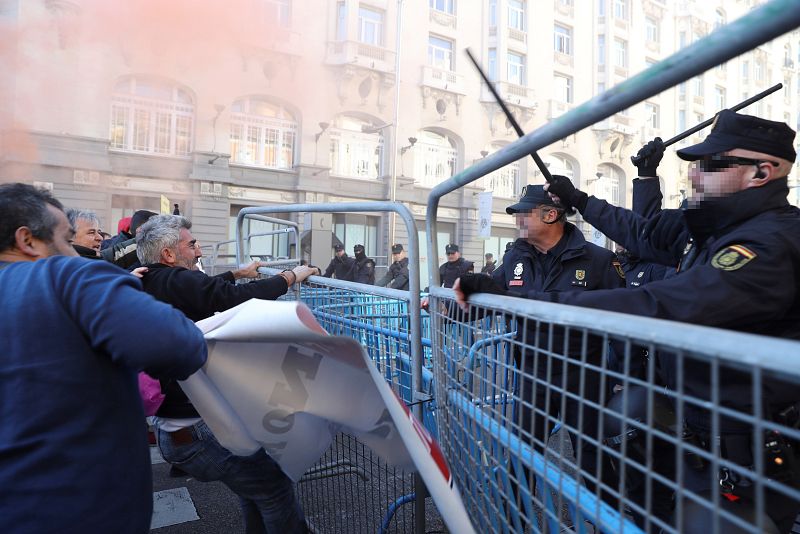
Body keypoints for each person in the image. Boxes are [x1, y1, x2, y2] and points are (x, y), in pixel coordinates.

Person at [459, 111, 800, 532]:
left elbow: (660, 303)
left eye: (711, 165)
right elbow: (642, 232)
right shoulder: (713, 227)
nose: (695, 176)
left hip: (752, 449)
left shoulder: (767, 242)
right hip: (703, 435)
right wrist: (580, 200)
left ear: (761, 172)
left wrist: (519, 300)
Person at [0, 183, 207, 533]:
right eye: (66, 239)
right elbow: (177, 345)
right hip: (79, 506)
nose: (74, 250)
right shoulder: (69, 274)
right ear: (27, 240)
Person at [136, 214, 315, 533]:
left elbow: (206, 291)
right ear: (168, 254)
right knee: (274, 489)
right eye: (192, 244)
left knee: (256, 488)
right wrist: (291, 276)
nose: (200, 251)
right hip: (196, 432)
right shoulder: (176, 281)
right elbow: (232, 298)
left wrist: (237, 272)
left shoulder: (149, 279)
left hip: (180, 429)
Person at [480, 184, 624, 503]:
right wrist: (450, 306)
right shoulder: (518, 257)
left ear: (551, 214)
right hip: (533, 375)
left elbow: (624, 321)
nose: (518, 219)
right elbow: (491, 294)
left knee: (595, 459)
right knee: (522, 452)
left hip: (584, 378)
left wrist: (625, 376)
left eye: (525, 213)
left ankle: (611, 521)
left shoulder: (599, 261)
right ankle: (514, 519)